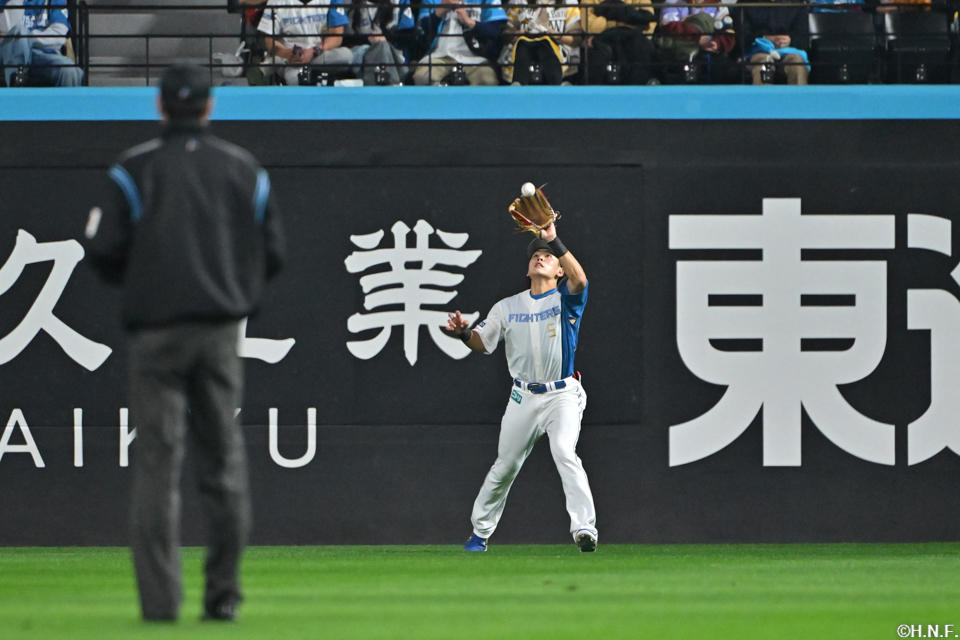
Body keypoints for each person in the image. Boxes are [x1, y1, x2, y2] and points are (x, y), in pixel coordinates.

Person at [84, 64, 285, 622]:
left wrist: (144, 279)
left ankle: (160, 605)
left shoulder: (134, 168)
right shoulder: (242, 167)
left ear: (159, 106)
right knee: (223, 464)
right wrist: (236, 291)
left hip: (154, 333)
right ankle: (223, 597)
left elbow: (102, 250)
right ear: (209, 106)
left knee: (157, 466)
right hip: (219, 330)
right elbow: (274, 252)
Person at [447, 222, 598, 553]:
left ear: (559, 270)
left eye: (548, 256)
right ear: (528, 269)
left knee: (564, 451)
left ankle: (584, 528)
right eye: (535, 256)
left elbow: (581, 280)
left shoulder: (566, 299)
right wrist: (463, 333)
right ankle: (479, 534)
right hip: (523, 396)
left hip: (562, 394)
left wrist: (553, 239)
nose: (541, 258)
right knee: (506, 466)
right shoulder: (506, 307)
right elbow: (482, 343)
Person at [257, 0, 353, 85]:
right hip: (290, 57)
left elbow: (336, 37)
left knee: (346, 56)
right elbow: (269, 41)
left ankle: (308, 71)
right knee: (295, 77)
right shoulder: (276, 2)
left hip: (317, 53)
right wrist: (287, 54)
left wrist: (313, 51)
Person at [412, 0, 506, 86]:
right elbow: (422, 30)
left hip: (475, 58)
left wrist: (468, 21)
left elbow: (496, 30)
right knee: (422, 78)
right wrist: (439, 12)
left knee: (487, 81)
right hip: (439, 55)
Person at [0, 0, 82, 87]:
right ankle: (17, 82)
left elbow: (58, 37)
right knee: (19, 30)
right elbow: (8, 34)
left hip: (44, 55)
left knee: (69, 70)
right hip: (12, 56)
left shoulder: (54, 1)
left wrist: (27, 37)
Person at [499, 0, 582, 86]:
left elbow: (576, 38)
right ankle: (518, 83)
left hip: (555, 51)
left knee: (544, 43)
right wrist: (517, 33)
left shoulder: (569, 4)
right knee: (523, 43)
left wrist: (559, 37)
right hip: (525, 48)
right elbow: (506, 32)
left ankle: (558, 83)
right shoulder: (519, 2)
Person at [579, 0, 657, 84]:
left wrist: (608, 20)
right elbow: (590, 26)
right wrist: (623, 22)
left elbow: (649, 24)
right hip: (603, 40)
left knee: (640, 45)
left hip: (634, 39)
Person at [741, 0, 810, 85]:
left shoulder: (796, 4)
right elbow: (742, 37)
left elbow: (803, 39)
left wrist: (790, 40)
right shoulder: (745, 3)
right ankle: (762, 94)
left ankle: (799, 94)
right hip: (756, 52)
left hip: (788, 51)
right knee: (764, 62)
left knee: (797, 63)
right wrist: (764, 38)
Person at [346, 0, 415, 85]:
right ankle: (391, 85)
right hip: (361, 50)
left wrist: (385, 39)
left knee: (383, 46)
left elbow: (408, 35)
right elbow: (346, 38)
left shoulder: (397, 3)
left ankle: (387, 84)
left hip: (391, 49)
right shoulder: (351, 4)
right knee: (381, 47)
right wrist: (369, 39)